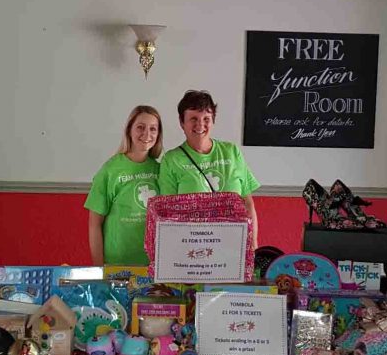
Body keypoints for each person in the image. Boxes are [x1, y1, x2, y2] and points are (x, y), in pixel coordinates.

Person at [158, 90, 259, 249]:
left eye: (206, 118)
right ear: (182, 122)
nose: (200, 125)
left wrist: (253, 245)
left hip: (233, 246)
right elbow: (169, 215)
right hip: (192, 248)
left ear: (213, 120)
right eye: (193, 119)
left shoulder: (232, 152)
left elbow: (247, 203)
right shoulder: (171, 160)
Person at [84, 106, 163, 265]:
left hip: (152, 265)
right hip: (117, 265)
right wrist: (99, 268)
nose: (147, 134)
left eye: (153, 129)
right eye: (140, 127)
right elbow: (94, 224)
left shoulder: (161, 170)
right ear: (129, 130)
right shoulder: (111, 170)